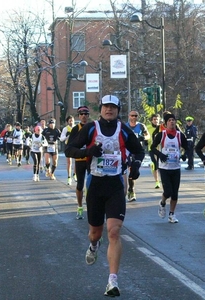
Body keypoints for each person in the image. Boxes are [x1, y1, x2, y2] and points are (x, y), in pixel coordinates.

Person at [65, 95, 144, 297]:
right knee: (96, 233)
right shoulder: (91, 128)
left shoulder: (123, 129)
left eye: (113, 107)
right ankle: (93, 245)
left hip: (116, 185)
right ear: (100, 109)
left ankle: (112, 281)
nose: (109, 110)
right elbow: (69, 149)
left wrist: (135, 165)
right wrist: (88, 150)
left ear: (118, 110)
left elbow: (139, 150)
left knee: (114, 232)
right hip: (96, 185)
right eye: (106, 107)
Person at [151, 113, 188, 223]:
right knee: (168, 191)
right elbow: (152, 147)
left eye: (173, 120)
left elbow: (188, 147)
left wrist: (185, 154)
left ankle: (172, 214)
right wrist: (160, 155)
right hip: (164, 167)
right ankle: (162, 203)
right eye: (170, 120)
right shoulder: (161, 135)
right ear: (166, 123)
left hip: (175, 167)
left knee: (175, 193)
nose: (172, 122)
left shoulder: (179, 135)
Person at [68, 106, 90, 219]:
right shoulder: (76, 129)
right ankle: (80, 207)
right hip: (80, 160)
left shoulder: (93, 127)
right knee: (80, 184)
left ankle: (92, 207)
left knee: (92, 185)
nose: (84, 116)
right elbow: (70, 146)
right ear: (78, 116)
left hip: (91, 160)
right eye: (81, 114)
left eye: (86, 114)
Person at [125, 110, 150, 201]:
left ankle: (131, 189)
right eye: (132, 115)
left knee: (134, 170)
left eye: (136, 116)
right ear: (129, 116)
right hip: (128, 151)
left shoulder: (141, 126)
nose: (134, 117)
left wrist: (143, 137)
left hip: (138, 151)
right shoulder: (125, 126)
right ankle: (131, 190)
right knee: (131, 170)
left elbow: (148, 136)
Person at [146, 114, 161, 188]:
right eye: (154, 119)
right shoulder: (148, 128)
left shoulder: (162, 128)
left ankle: (163, 181)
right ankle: (157, 181)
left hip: (161, 149)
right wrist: (145, 140)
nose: (156, 121)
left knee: (160, 166)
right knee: (155, 164)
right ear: (152, 120)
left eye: (157, 119)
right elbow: (145, 136)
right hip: (151, 149)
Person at [60, 115, 75, 185]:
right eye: (70, 121)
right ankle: (69, 177)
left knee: (77, 161)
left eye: (72, 120)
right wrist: (67, 137)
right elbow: (61, 138)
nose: (71, 122)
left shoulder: (76, 127)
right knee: (69, 162)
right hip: (68, 146)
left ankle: (75, 174)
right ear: (67, 122)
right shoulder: (65, 129)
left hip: (75, 146)